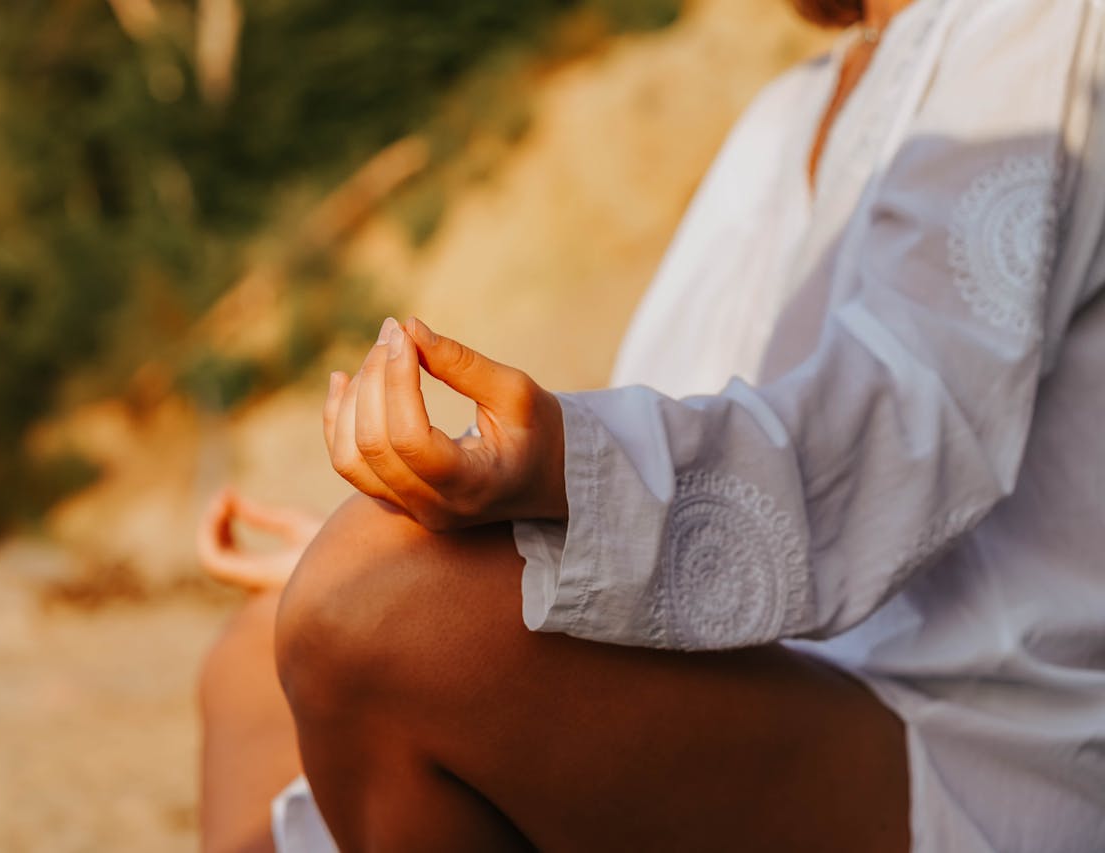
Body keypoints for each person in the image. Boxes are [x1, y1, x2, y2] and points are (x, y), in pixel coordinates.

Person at [200, 0, 1105, 849]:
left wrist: (558, 472)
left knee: (371, 605)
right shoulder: (779, 116)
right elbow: (679, 403)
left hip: (963, 727)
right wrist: (443, 521)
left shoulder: (1035, 24)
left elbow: (899, 436)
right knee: (256, 651)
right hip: (772, 672)